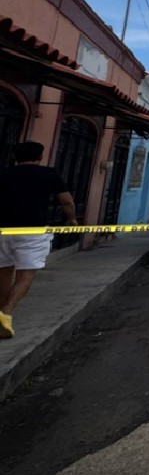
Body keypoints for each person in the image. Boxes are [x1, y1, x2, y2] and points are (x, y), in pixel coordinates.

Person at [0, 141, 78, 338]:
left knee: (4, 271)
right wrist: (71, 219)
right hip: (32, 232)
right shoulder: (49, 174)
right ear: (40, 157)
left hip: (3, 230)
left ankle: (1, 313)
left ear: (15, 157)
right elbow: (66, 201)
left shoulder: (5, 174)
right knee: (25, 275)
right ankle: (5, 314)